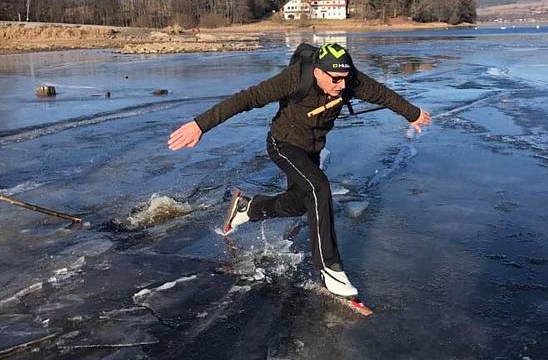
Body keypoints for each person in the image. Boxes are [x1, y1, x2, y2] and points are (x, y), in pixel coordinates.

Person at [168, 43, 431, 297]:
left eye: (345, 79)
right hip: (283, 144)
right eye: (335, 79)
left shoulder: (349, 81)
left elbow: (383, 94)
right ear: (318, 72)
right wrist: (200, 125)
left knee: (300, 203)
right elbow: (245, 99)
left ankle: (250, 208)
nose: (342, 86)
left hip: (311, 149)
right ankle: (330, 268)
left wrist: (413, 113)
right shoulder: (294, 78)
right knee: (319, 187)